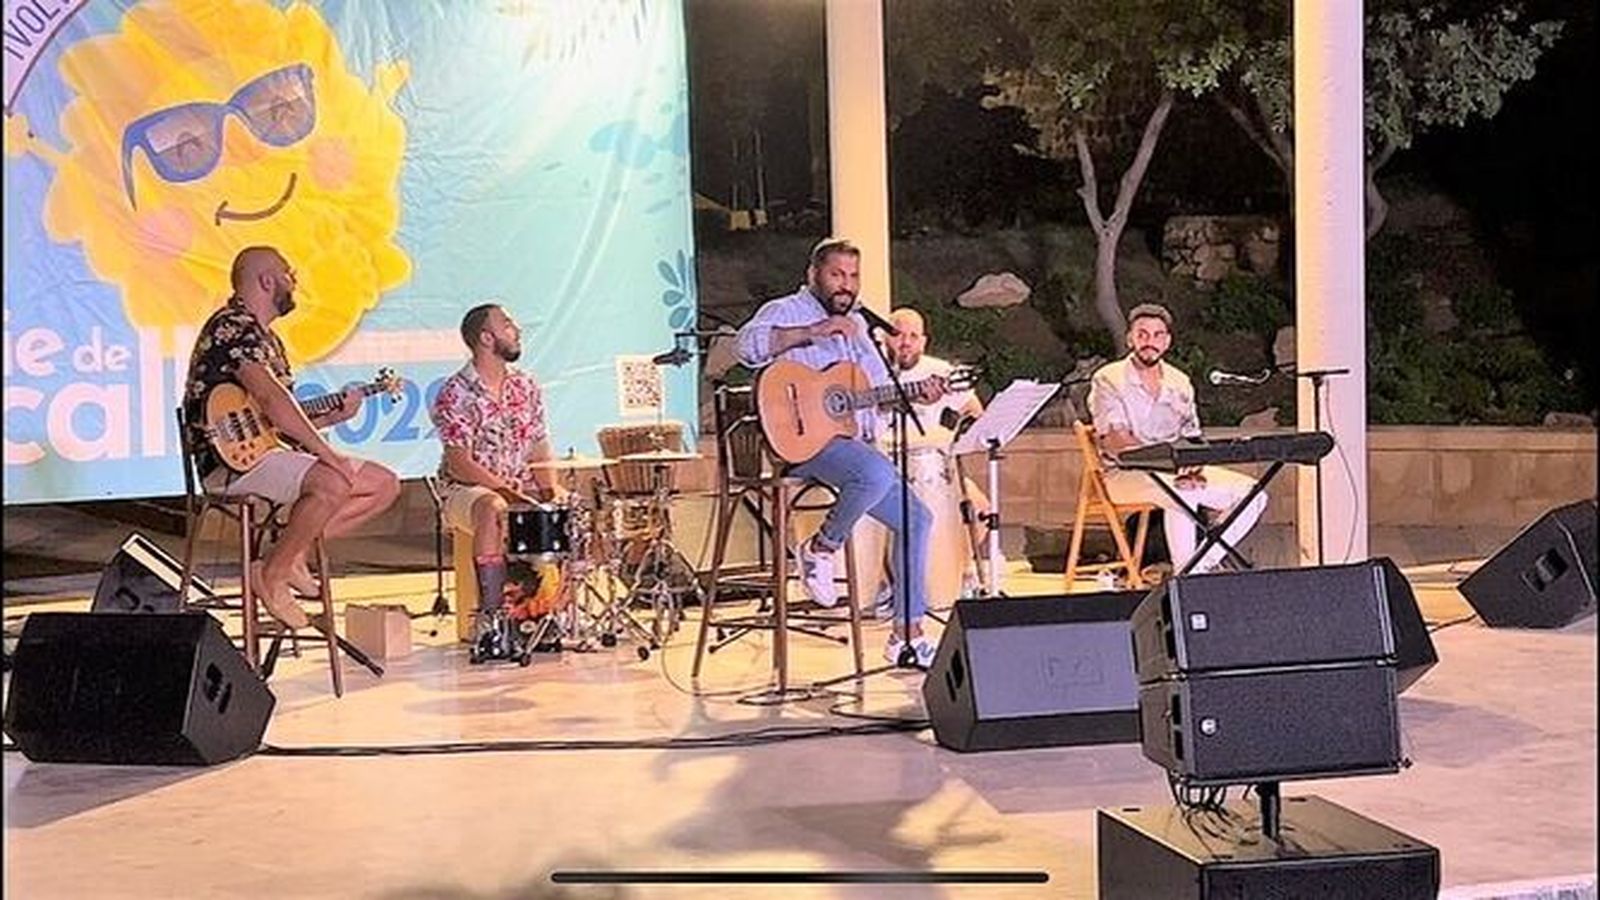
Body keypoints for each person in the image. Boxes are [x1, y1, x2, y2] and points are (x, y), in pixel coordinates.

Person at [735, 238, 947, 666]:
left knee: (917, 518)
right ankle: (820, 548)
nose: (845, 285)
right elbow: (746, 347)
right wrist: (811, 333)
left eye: (852, 276)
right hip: (798, 444)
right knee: (874, 473)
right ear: (814, 274)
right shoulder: (787, 310)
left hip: (849, 446)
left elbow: (867, 393)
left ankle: (907, 635)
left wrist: (912, 395)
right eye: (836, 275)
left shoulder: (861, 329)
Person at [183, 246, 401, 629]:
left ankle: (292, 553)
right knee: (333, 478)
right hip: (230, 462)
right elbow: (270, 398)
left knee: (383, 485)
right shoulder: (232, 326)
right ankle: (272, 573)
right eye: (288, 273)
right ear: (267, 280)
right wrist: (328, 455)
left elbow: (276, 423)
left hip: (264, 454)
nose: (294, 281)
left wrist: (334, 415)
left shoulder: (272, 342)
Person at [1087, 303, 1267, 578]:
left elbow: (1191, 436)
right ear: (1130, 338)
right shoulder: (1108, 378)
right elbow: (1116, 441)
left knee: (1254, 494)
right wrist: (1172, 466)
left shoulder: (1179, 381)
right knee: (1182, 492)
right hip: (1125, 474)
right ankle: (1190, 576)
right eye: (1143, 334)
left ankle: (1199, 566)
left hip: (1176, 470)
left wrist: (1194, 465)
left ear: (1167, 341)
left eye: (1158, 335)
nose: (1150, 342)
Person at [428, 302, 563, 650]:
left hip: (519, 485)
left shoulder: (526, 386)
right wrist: (507, 491)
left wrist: (549, 489)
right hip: (467, 491)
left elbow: (538, 445)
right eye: (507, 324)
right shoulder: (455, 392)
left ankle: (547, 614)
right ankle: (492, 620)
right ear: (486, 338)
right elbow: (460, 462)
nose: (516, 329)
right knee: (493, 506)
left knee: (566, 505)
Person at [853, 308, 1001, 613]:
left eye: (913, 336)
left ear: (923, 341)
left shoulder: (941, 371)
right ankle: (878, 586)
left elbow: (975, 410)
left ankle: (953, 576)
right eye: (897, 334)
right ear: (883, 337)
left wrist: (952, 429)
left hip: (930, 463)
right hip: (879, 464)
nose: (905, 342)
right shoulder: (868, 372)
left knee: (980, 508)